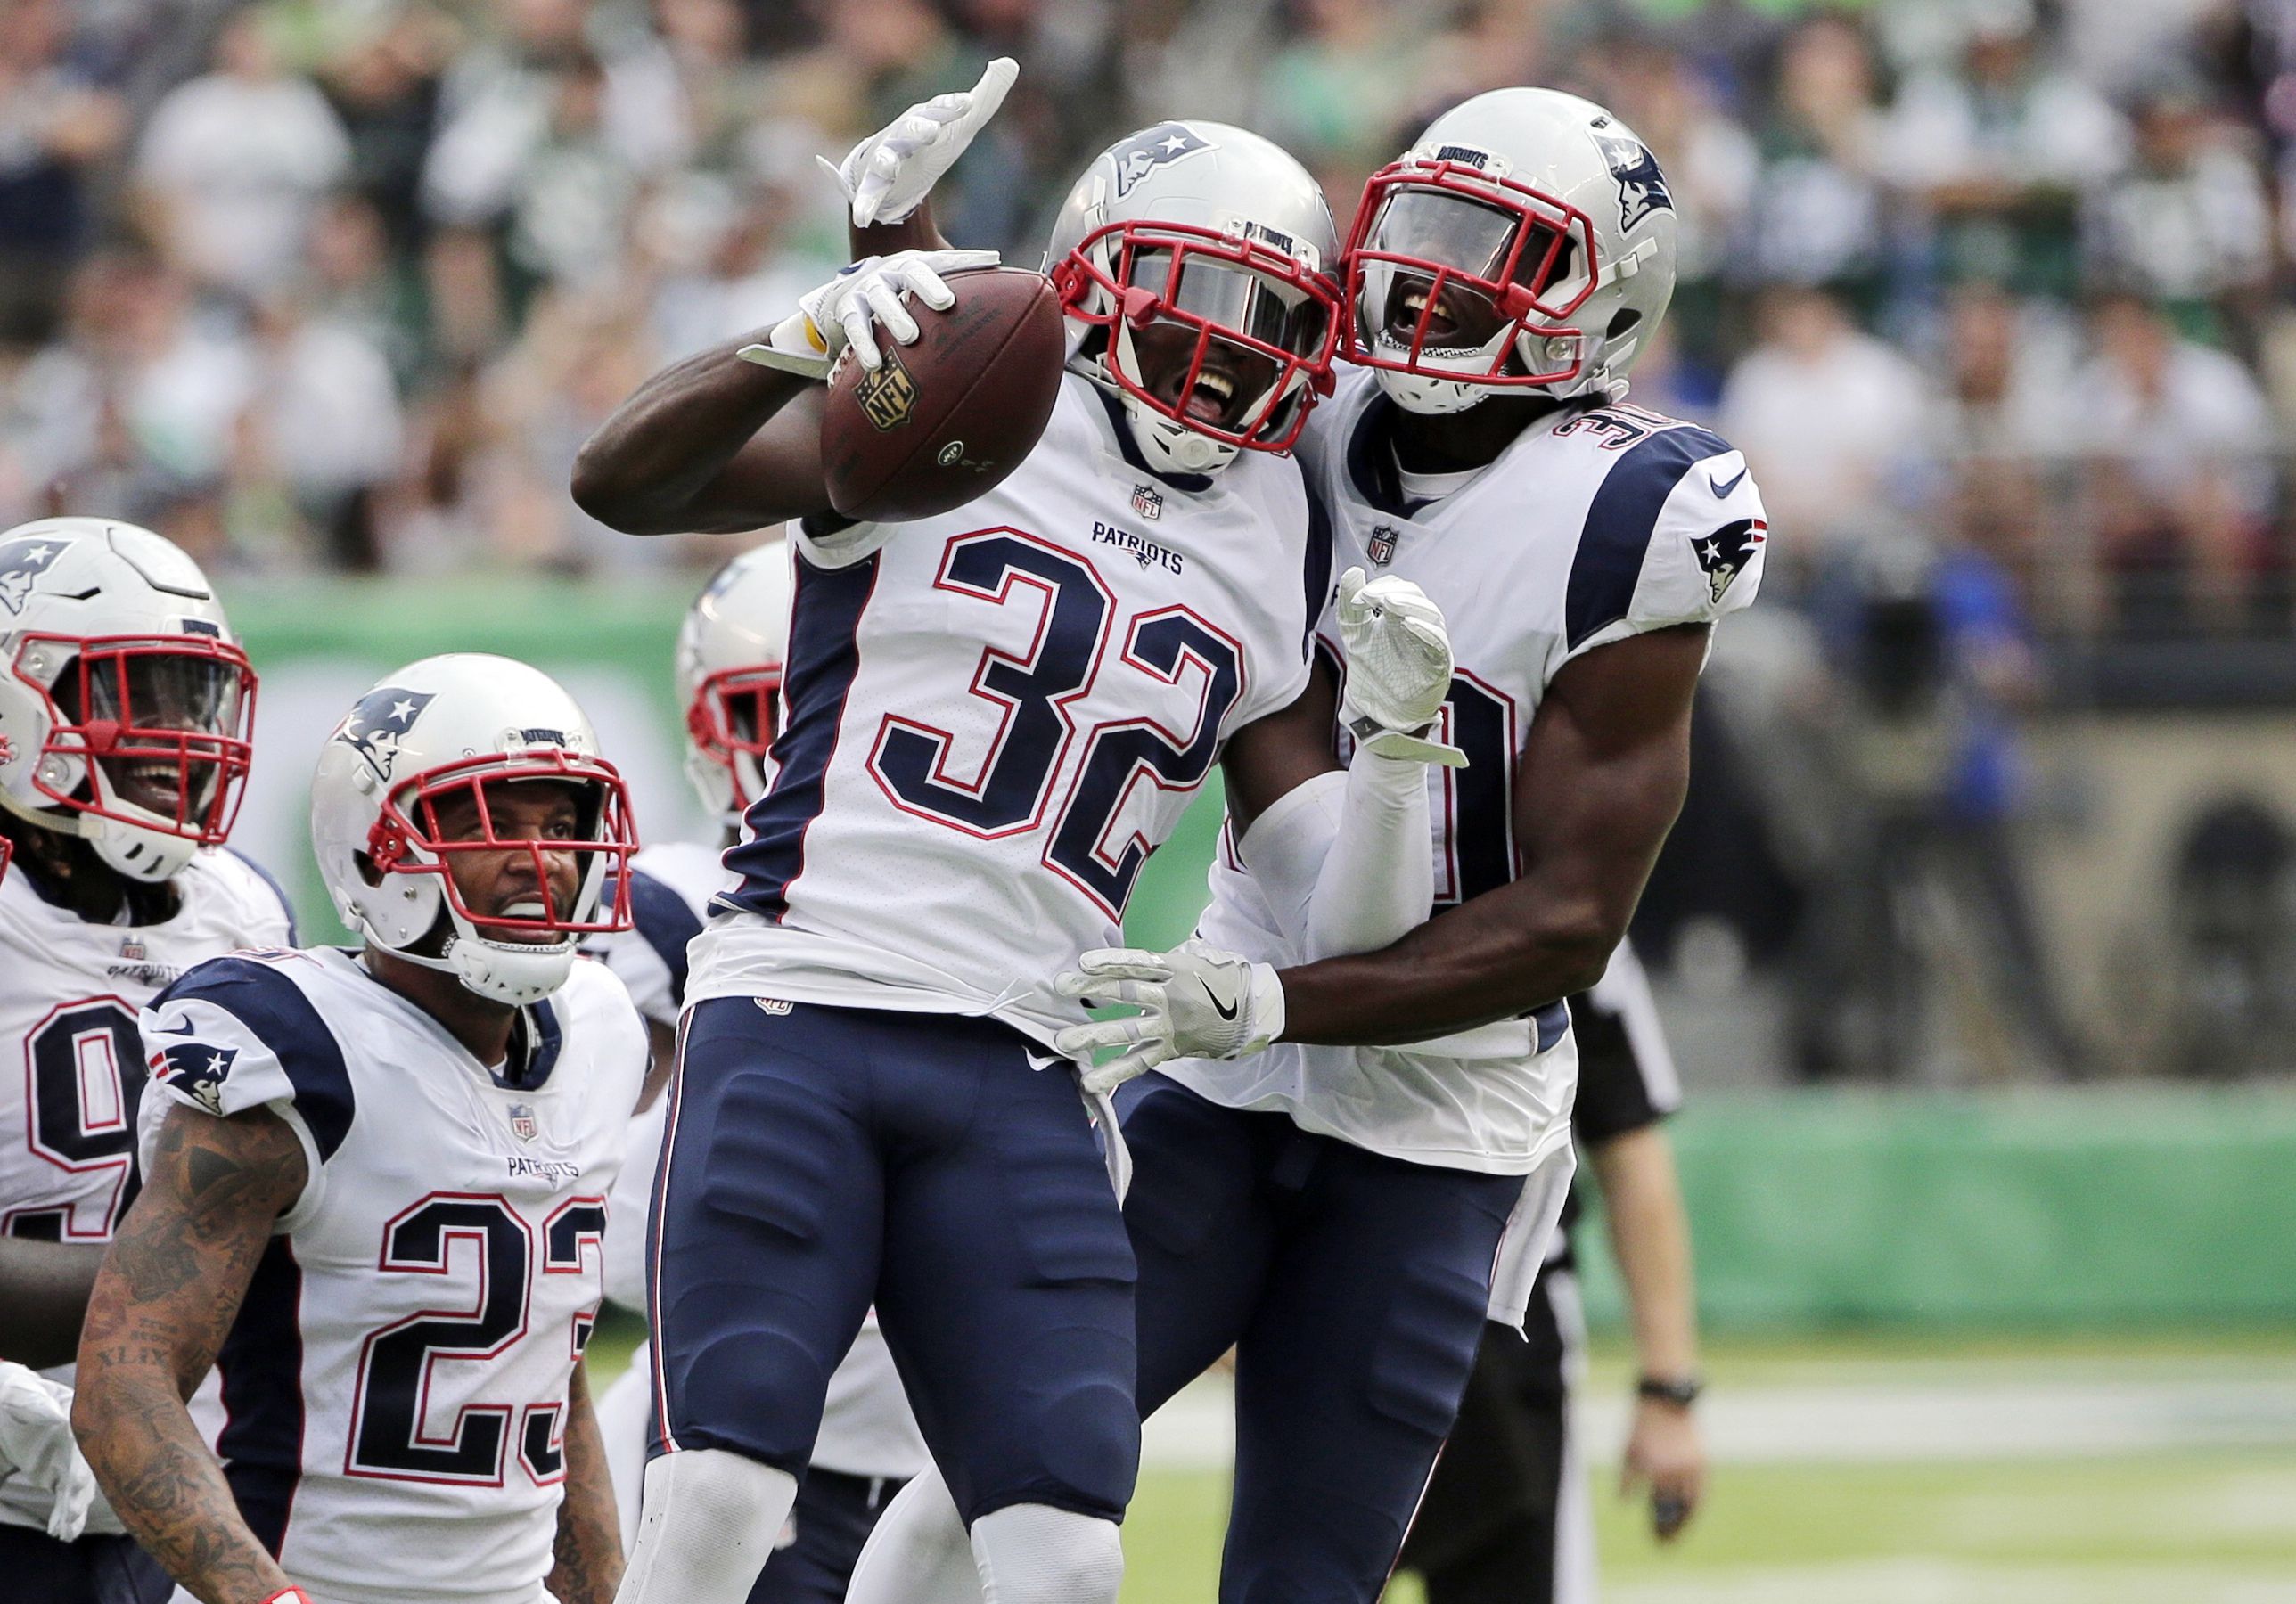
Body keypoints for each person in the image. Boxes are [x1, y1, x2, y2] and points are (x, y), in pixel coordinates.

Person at [843, 86, 1767, 1604]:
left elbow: (1569, 926)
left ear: (1606, 304)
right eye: (1423, 227)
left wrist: (1278, 1002)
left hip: (1434, 1120)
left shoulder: (1639, 513)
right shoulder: (1298, 402)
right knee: (986, 1482)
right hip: (1225, 1070)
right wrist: (898, 242)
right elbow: (1017, 397)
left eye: (1499, 247)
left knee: (1303, 1579)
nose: (1433, 274)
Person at [570, 67, 1469, 1604]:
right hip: (811, 994)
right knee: (717, 1493)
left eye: (1270, 314)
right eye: (1193, 293)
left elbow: (1333, 898)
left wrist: (1396, 753)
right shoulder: (980, 394)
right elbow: (622, 483)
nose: (1231, 345)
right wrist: (804, 327)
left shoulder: (1276, 518)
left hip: (1024, 1052)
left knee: (1061, 1560)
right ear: (1093, 274)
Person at [70, 654, 647, 1604]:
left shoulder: (598, 1033)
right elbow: (124, 1384)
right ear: (377, 851)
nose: (540, 859)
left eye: (562, 824)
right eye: (493, 823)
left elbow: (550, 1366)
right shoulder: (298, 1052)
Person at [583, 542, 932, 1602]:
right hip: (745, 1439)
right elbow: (602, 1220)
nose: (808, 740)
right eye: (766, 710)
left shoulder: (969, 918)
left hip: (930, 1457)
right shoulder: (672, 908)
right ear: (707, 732)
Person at [0, 516, 293, 1604]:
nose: (175, 735)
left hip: (162, 1507)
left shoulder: (243, 909)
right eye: (133, 695)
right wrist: (193, 1281)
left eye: (188, 695)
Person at [1397, 941, 1708, 1604]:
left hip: (1508, 1314)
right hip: (1333, 1303)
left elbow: (1629, 1141)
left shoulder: (1569, 909)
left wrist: (1668, 1387)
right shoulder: (1305, 874)